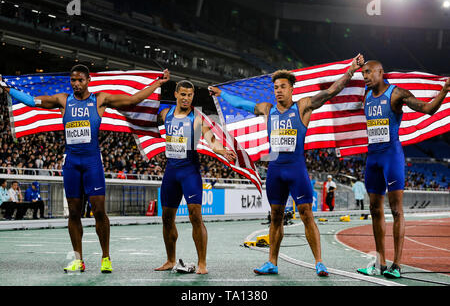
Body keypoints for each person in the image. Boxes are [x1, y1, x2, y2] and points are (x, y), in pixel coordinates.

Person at [1, 65, 170, 273]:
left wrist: (157, 84)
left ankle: (106, 258)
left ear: (88, 80)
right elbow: (32, 101)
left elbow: (133, 100)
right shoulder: (63, 100)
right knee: (73, 212)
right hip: (72, 163)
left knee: (99, 211)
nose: (76, 84)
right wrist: (8, 89)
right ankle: (77, 259)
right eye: (73, 80)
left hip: (92, 163)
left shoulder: (100, 100)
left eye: (80, 80)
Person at [209, 54, 365, 276]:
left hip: (296, 168)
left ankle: (319, 262)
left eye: (283, 86)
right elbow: (242, 104)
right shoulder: (267, 109)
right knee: (275, 216)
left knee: (306, 214)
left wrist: (350, 70)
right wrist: (222, 93)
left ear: (292, 88)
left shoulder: (303, 107)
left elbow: (330, 92)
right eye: (275, 87)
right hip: (275, 170)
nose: (278, 90)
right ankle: (272, 262)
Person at [356, 60, 449, 279]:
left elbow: (427, 109)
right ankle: (379, 262)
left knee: (396, 210)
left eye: (369, 72)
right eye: (363, 73)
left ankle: (396, 265)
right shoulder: (366, 96)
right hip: (373, 158)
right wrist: (354, 66)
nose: (365, 76)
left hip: (391, 156)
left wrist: (444, 90)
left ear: (381, 72)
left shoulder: (397, 94)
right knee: (375, 210)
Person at [154, 80, 236, 275]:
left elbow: (210, 139)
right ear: (176, 94)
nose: (186, 98)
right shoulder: (166, 114)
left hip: (189, 172)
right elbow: (145, 116)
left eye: (190, 95)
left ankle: (202, 263)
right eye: (183, 94)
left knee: (196, 217)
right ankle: (170, 259)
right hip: (171, 172)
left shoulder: (196, 117)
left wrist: (222, 151)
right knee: (166, 218)